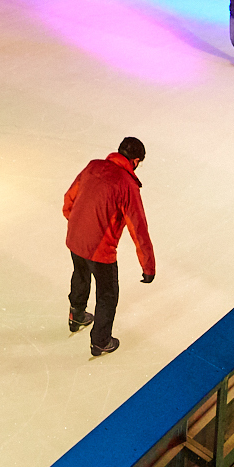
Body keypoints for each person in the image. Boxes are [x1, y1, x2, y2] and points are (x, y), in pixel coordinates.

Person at [62, 136, 156, 357]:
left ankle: (76, 314)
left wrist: (78, 225)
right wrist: (148, 267)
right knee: (107, 293)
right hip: (100, 249)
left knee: (81, 273)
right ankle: (101, 341)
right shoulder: (127, 185)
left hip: (75, 238)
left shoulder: (93, 166)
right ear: (135, 160)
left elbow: (69, 198)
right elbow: (138, 229)